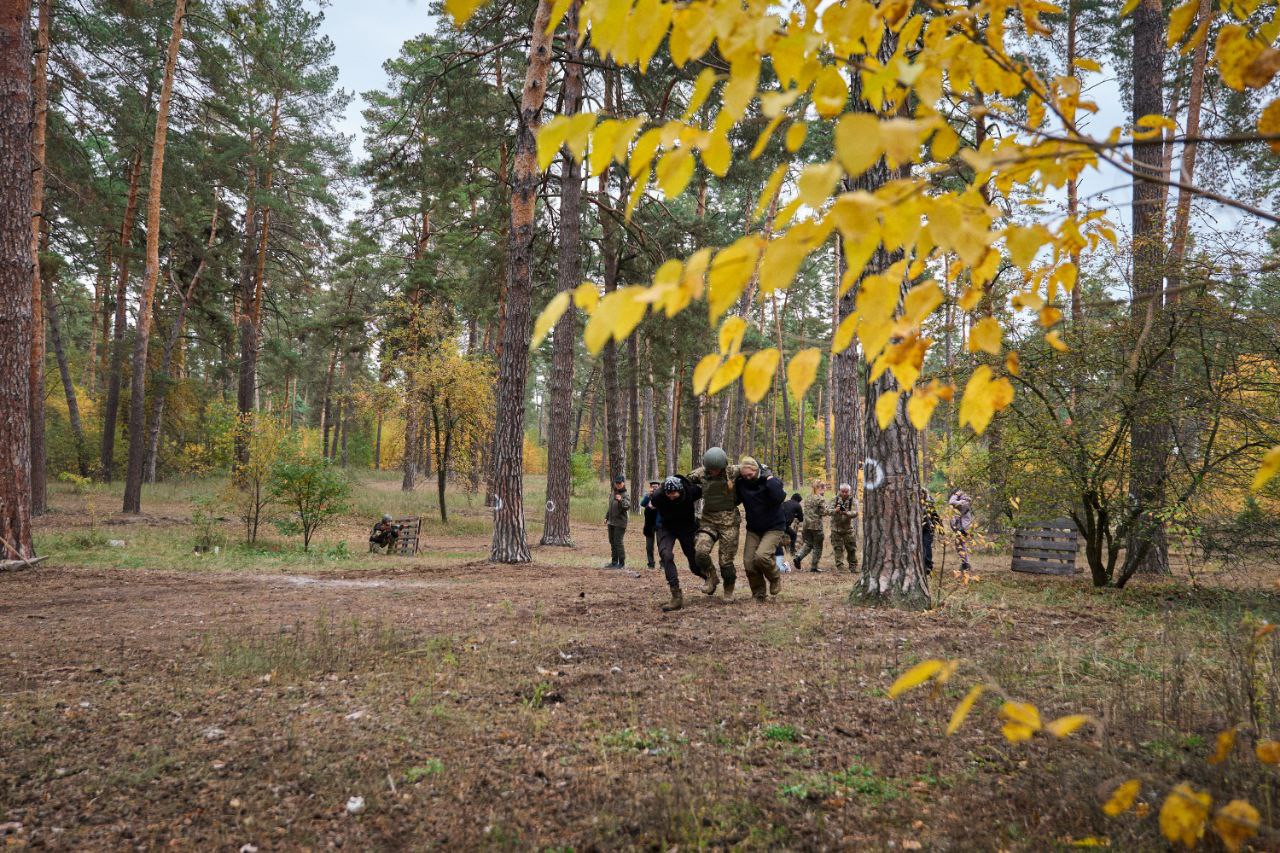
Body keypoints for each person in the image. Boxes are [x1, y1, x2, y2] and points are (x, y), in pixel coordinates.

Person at [688, 446, 740, 598]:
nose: (713, 472)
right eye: (711, 469)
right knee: (700, 551)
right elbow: (684, 481)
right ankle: (711, 576)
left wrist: (766, 474)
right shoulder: (700, 474)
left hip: (729, 523)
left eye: (716, 469)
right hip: (709, 521)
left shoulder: (733, 471)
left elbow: (753, 468)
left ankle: (728, 588)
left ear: (723, 466)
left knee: (726, 561)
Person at [733, 456, 786, 601]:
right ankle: (759, 593)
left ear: (757, 471)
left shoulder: (769, 481)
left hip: (774, 526)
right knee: (749, 562)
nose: (747, 478)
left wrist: (770, 479)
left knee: (761, 557)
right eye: (744, 475)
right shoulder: (741, 483)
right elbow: (735, 500)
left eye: (750, 475)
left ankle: (775, 577)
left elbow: (779, 497)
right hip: (754, 528)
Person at [649, 474, 704, 611]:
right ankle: (676, 596)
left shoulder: (691, 491)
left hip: (687, 528)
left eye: (674, 493)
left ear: (680, 490)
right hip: (666, 528)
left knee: (694, 563)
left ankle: (709, 576)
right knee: (666, 555)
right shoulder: (658, 496)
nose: (671, 496)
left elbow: (708, 490)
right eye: (668, 493)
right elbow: (650, 506)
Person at [793, 480, 828, 572]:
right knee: (818, 546)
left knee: (808, 543)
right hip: (816, 526)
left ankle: (798, 557)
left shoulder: (808, 497)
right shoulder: (820, 498)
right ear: (820, 488)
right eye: (824, 487)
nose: (825, 489)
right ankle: (814, 567)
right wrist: (835, 510)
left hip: (806, 525)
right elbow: (824, 512)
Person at [830, 483, 858, 572]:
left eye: (846, 492)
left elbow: (855, 512)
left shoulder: (853, 500)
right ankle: (840, 568)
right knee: (838, 549)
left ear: (849, 491)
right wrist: (836, 510)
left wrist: (846, 513)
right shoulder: (834, 499)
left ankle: (853, 567)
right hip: (836, 529)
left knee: (851, 549)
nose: (845, 493)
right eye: (843, 491)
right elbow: (827, 510)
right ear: (839, 491)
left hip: (848, 529)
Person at [604, 475, 631, 568]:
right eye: (617, 483)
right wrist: (606, 517)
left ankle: (622, 563)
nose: (618, 484)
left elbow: (627, 506)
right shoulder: (613, 493)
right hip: (611, 522)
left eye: (620, 483)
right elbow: (610, 506)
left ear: (623, 483)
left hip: (620, 523)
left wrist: (620, 500)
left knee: (618, 542)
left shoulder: (625, 494)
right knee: (612, 541)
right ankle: (614, 562)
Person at [948, 488, 974, 572]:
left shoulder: (964, 502)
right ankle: (965, 564)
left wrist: (956, 495)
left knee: (960, 545)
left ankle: (966, 564)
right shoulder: (963, 502)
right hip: (962, 527)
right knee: (960, 545)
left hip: (963, 528)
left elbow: (951, 502)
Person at [639, 481, 661, 569]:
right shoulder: (648, 495)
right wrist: (648, 495)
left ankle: (663, 564)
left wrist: (656, 506)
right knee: (649, 546)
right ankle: (651, 564)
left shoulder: (662, 496)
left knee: (661, 545)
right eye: (653, 487)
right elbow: (642, 504)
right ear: (650, 488)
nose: (654, 488)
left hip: (659, 525)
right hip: (649, 525)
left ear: (659, 487)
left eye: (656, 487)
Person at [921, 486, 942, 573]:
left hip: (928, 528)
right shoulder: (913, 503)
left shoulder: (929, 504)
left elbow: (935, 515)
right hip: (918, 529)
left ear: (925, 494)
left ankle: (928, 565)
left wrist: (941, 529)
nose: (920, 495)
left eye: (922, 493)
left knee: (926, 545)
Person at [782, 492, 804, 558]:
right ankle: (792, 551)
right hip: (785, 525)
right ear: (799, 500)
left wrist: (793, 514)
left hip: (778, 523)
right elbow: (801, 519)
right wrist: (796, 515)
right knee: (793, 535)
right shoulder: (798, 505)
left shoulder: (785, 503)